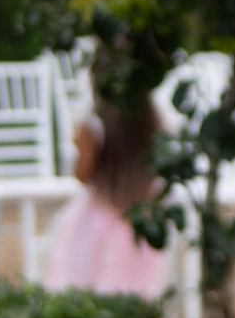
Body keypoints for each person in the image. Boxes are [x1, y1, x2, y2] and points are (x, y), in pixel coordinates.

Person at [41, 95, 172, 298]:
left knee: (84, 286)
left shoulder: (94, 124)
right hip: (139, 223)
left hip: (98, 221)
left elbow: (82, 175)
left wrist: (82, 143)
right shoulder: (156, 119)